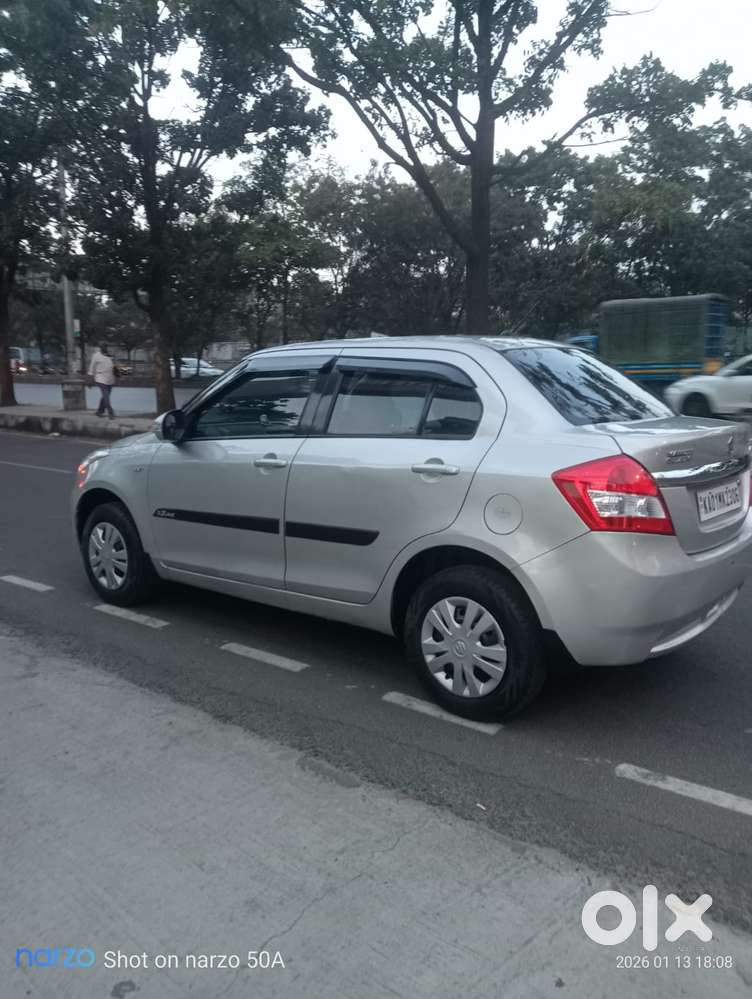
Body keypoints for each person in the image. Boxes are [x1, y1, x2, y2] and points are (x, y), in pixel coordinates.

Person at [88, 345, 116, 418]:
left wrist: (120, 376)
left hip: (110, 379)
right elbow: (91, 368)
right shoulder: (96, 356)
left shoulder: (111, 357)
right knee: (106, 395)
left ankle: (100, 411)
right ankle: (111, 412)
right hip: (100, 378)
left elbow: (115, 368)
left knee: (105, 396)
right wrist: (90, 380)